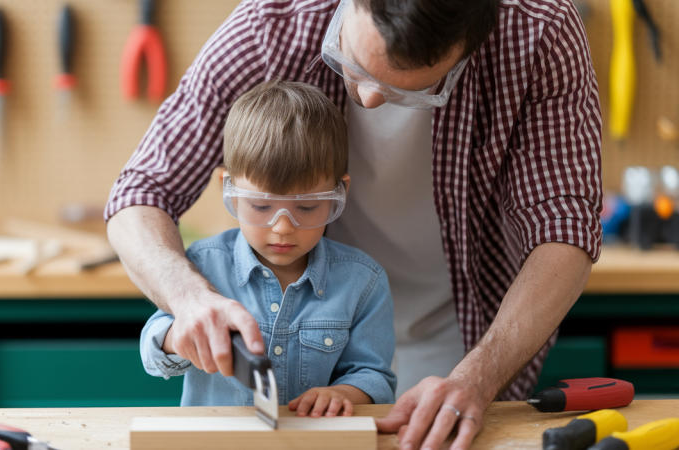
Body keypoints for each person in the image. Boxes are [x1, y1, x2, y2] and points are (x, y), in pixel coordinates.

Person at [106, 0, 602, 448]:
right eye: (353, 64)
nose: (366, 99)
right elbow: (140, 194)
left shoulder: (538, 31)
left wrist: (478, 376)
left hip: (471, 337)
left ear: (471, 46)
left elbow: (564, 232)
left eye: (410, 90)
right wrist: (189, 299)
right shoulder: (269, 28)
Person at [139, 80, 396, 415]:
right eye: (261, 207)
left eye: (306, 207)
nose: (283, 227)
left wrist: (346, 393)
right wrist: (180, 335)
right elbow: (153, 353)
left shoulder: (363, 282)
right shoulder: (202, 266)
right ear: (228, 189)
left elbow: (375, 376)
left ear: (339, 192)